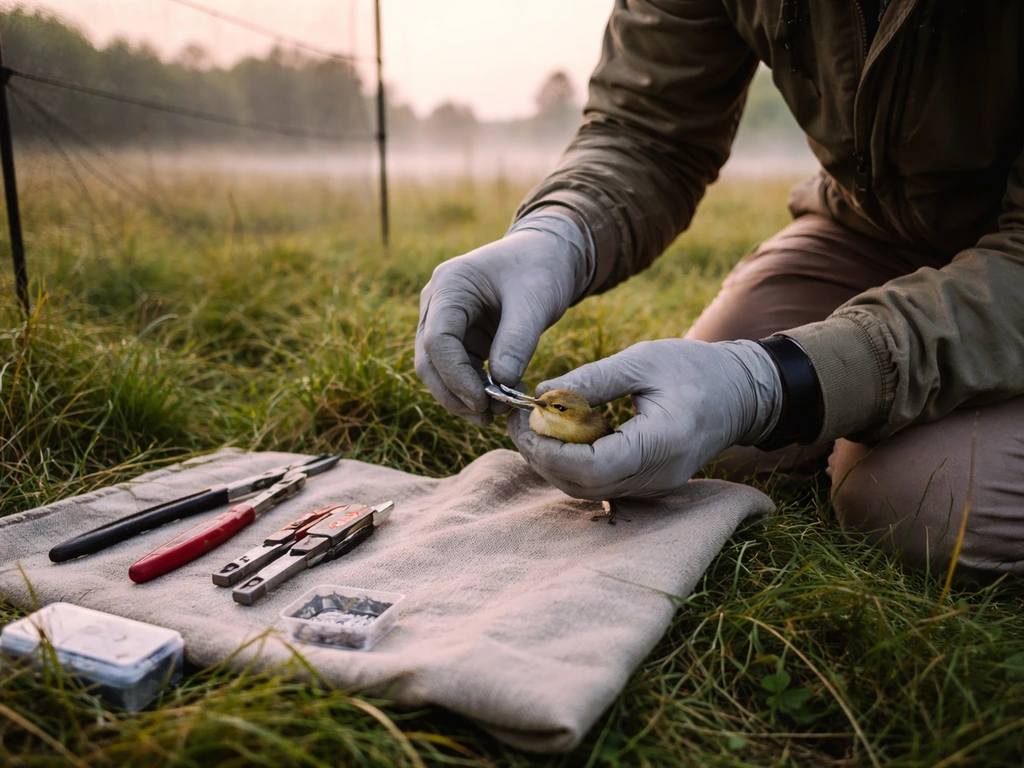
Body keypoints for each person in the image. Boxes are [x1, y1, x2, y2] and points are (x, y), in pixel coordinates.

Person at [415, 0, 1024, 584]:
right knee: (720, 447)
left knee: (922, 499)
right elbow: (648, 129)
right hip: (873, 226)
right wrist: (556, 233)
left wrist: (772, 384)